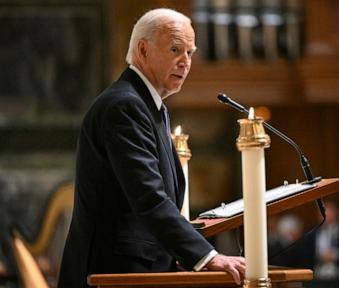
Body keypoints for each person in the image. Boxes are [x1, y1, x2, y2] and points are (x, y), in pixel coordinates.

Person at [58, 8, 245, 288]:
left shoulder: (148, 105)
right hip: (114, 271)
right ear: (143, 50)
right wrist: (207, 256)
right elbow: (149, 197)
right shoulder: (125, 106)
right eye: (175, 49)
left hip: (136, 268)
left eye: (190, 53)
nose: (185, 62)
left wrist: (181, 252)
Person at [310, 201, 339, 288]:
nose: (326, 216)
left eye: (329, 213)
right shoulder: (312, 233)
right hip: (317, 278)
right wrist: (318, 256)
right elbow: (303, 254)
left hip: (338, 279)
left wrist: (335, 255)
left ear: (336, 214)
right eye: (323, 212)